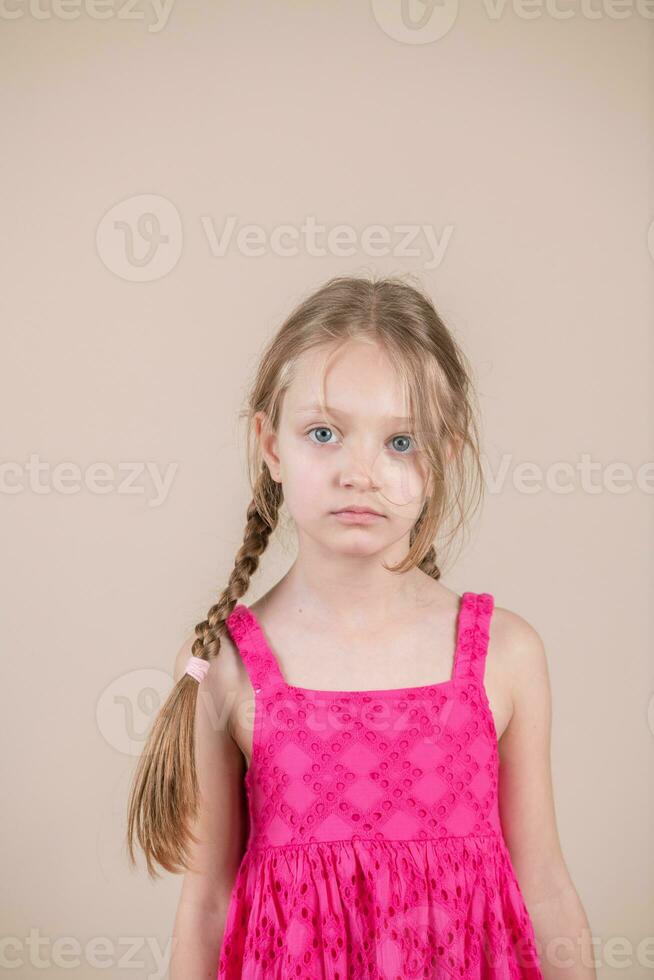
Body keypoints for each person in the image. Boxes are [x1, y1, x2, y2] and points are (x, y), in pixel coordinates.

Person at [126, 274, 596, 978]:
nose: (361, 472)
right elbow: (208, 901)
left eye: (401, 442)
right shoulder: (226, 666)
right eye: (324, 433)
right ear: (272, 445)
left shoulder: (506, 655)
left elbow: (545, 881)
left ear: (445, 461)